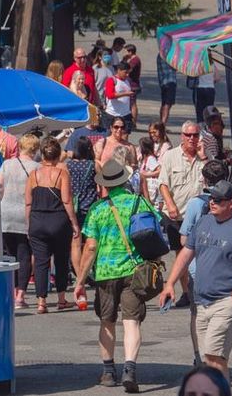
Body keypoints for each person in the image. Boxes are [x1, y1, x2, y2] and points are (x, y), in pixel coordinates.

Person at [160, 180, 232, 379]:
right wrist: (169, 283)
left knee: (214, 355)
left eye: (217, 199)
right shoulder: (204, 222)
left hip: (226, 300)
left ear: (231, 203)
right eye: (211, 198)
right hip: (201, 300)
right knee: (209, 358)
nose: (211, 202)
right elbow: (186, 253)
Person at [72, 161, 153, 392]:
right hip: (135, 270)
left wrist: (80, 281)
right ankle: (130, 368)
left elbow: (90, 248)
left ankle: (108, 371)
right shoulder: (140, 202)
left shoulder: (98, 209)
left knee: (107, 321)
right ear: (124, 180)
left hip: (106, 274)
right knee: (132, 321)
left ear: (105, 185)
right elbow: (155, 226)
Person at [179, 162, 232, 357]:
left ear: (204, 179)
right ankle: (209, 358)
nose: (213, 202)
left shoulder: (195, 203)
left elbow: (185, 239)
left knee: (197, 316)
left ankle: (199, 356)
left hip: (200, 273)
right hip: (230, 272)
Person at [26, 137, 79, 313]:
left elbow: (28, 202)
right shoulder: (62, 174)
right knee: (61, 259)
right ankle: (62, 298)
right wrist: (74, 223)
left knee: (41, 261)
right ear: (57, 157)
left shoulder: (33, 175)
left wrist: (29, 224)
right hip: (58, 220)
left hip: (37, 220)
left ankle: (41, 301)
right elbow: (67, 201)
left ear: (42, 155)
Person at [0, 133, 39, 308]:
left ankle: (10, 291)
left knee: (9, 255)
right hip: (26, 214)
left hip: (7, 212)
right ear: (35, 149)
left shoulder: (7, 164)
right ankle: (20, 295)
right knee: (24, 255)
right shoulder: (36, 167)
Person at [66, 136, 98, 283]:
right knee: (91, 242)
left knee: (75, 243)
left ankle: (79, 274)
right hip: (90, 207)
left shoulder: (69, 165)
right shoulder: (93, 165)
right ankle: (88, 271)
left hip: (73, 208)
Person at [102, 63, 135, 133]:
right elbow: (110, 95)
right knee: (110, 136)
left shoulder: (128, 81)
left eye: (128, 73)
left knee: (125, 136)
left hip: (125, 114)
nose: (127, 75)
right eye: (125, 72)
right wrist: (125, 94)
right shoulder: (111, 80)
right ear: (119, 70)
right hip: (112, 114)